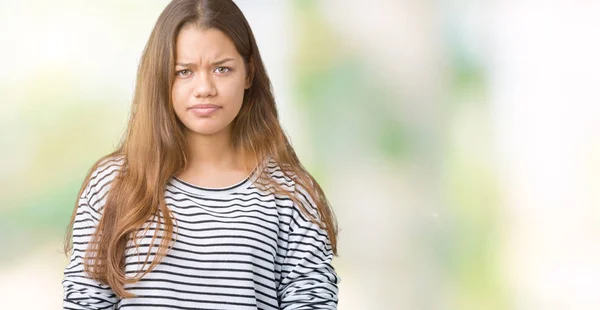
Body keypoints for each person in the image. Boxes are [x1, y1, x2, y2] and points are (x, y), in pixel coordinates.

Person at [61, 0, 340, 309]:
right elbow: (85, 301)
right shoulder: (114, 183)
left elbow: (312, 300)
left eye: (222, 69)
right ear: (160, 78)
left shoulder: (291, 192)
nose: (204, 88)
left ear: (248, 74)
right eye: (184, 72)